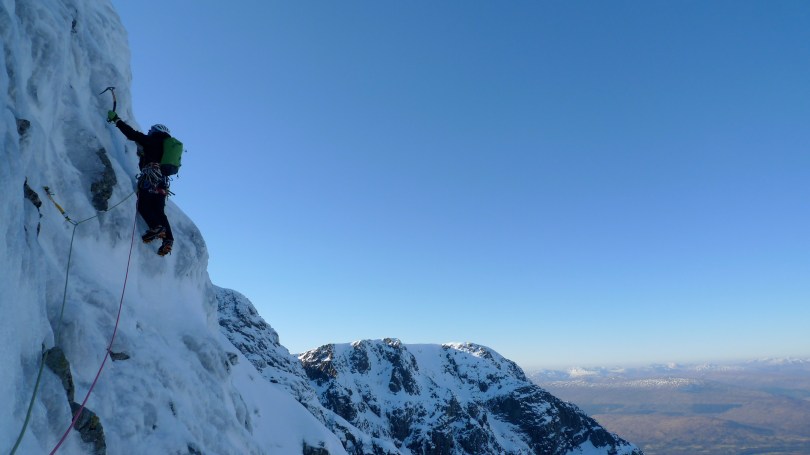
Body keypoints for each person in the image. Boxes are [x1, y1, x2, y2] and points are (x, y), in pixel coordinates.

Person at [107, 110, 174, 256]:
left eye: (151, 130)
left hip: (150, 179)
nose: (149, 132)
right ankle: (168, 240)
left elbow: (133, 134)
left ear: (156, 131)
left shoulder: (154, 140)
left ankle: (156, 227)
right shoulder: (166, 148)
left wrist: (117, 120)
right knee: (159, 211)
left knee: (143, 205)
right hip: (162, 183)